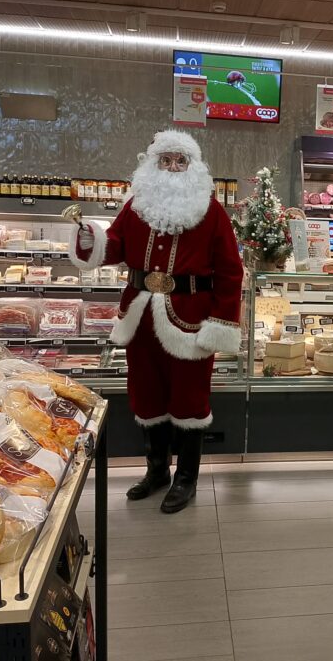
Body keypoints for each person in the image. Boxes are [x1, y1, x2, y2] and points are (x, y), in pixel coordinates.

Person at [69, 131, 243, 514]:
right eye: (166, 160)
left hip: (191, 322)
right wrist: (91, 238)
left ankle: (186, 478)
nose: (173, 167)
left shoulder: (212, 212)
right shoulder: (136, 206)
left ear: (193, 166)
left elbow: (231, 272)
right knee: (146, 396)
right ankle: (157, 471)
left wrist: (221, 323)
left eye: (181, 161)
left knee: (189, 400)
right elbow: (115, 245)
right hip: (141, 318)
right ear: (153, 164)